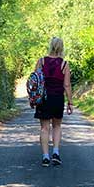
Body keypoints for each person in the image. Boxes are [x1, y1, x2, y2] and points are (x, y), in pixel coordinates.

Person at [34, 37, 73, 166]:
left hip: (43, 99)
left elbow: (35, 81)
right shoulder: (64, 64)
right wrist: (70, 102)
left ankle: (45, 157)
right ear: (61, 47)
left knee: (44, 128)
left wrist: (33, 98)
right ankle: (56, 153)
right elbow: (67, 85)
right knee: (57, 126)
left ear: (50, 46)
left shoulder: (41, 61)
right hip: (57, 98)